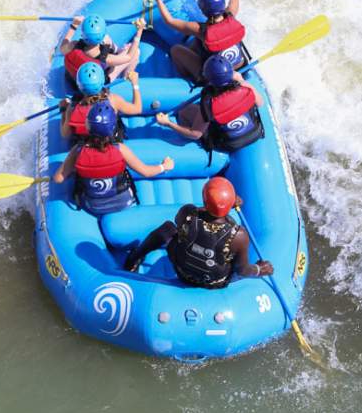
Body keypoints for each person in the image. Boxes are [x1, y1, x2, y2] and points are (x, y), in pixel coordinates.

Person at [123, 177, 273, 288]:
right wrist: (259, 269)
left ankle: (134, 258)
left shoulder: (188, 212)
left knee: (168, 228)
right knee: (230, 258)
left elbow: (187, 219)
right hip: (213, 282)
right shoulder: (239, 236)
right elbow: (242, 270)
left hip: (182, 271)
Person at [53, 102, 174, 216]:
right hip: (123, 203)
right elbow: (146, 172)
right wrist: (164, 166)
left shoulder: (78, 150)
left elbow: (58, 179)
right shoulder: (120, 149)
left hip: (93, 206)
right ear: (113, 128)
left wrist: (76, 168)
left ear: (87, 125)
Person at [149, 0, 246, 83]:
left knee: (176, 50)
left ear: (202, 9)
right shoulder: (231, 14)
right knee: (197, 43)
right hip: (239, 66)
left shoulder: (201, 30)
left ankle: (189, 79)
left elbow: (170, 21)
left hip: (215, 76)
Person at [155, 55, 264, 154]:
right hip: (255, 132)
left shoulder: (209, 103)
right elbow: (260, 103)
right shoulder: (245, 87)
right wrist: (241, 80)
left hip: (228, 143)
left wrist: (168, 123)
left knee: (185, 111)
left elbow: (195, 134)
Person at [59, 62, 142, 143]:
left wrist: (63, 110)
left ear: (79, 85)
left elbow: (65, 134)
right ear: (102, 80)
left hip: (86, 143)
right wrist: (135, 84)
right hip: (108, 141)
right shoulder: (113, 100)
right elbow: (137, 109)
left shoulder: (72, 107)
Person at [59, 14, 144, 86]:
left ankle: (117, 52)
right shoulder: (106, 58)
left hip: (77, 80)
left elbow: (62, 48)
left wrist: (74, 25)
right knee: (136, 52)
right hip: (98, 82)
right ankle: (127, 81)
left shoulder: (74, 45)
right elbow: (128, 57)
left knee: (107, 40)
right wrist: (139, 31)